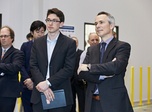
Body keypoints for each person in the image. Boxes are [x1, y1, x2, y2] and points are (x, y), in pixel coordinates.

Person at [77, 11, 134, 112]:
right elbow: (81, 73)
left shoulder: (122, 46)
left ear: (111, 25)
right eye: (96, 23)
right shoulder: (91, 49)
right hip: (91, 103)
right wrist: (102, 75)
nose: (97, 26)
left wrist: (90, 67)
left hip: (113, 103)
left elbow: (116, 67)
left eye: (101, 22)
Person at [30, 8, 76, 112]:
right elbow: (33, 65)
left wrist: (48, 83)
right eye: (48, 20)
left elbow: (68, 69)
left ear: (61, 24)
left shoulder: (69, 43)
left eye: (54, 20)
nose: (50, 23)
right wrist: (43, 85)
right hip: (39, 93)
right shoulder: (37, 43)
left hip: (60, 94)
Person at [20, 20, 46, 112]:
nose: (40, 34)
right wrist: (27, 79)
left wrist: (33, 80)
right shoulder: (25, 46)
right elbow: (21, 64)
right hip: (26, 85)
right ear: (32, 32)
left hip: (40, 85)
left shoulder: (47, 47)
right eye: (37, 31)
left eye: (42, 32)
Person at [0, 26, 24, 112]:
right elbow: (8, 67)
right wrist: (5, 67)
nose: (3, 38)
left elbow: (14, 67)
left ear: (12, 38)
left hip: (8, 93)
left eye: (5, 36)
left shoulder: (17, 53)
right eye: (1, 36)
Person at [70, 36, 84, 112]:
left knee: (82, 101)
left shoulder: (82, 53)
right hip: (70, 82)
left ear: (77, 43)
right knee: (71, 102)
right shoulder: (67, 54)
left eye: (75, 42)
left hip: (80, 82)